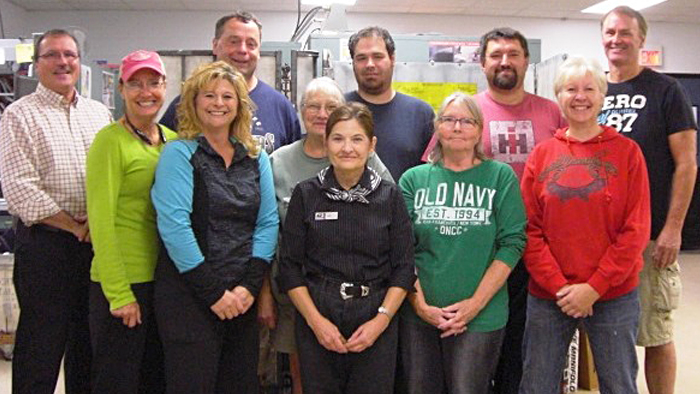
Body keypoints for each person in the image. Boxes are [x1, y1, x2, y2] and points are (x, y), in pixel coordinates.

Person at [421, 27, 566, 393]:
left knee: (520, 350)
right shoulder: (465, 112)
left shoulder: (551, 112)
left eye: (513, 54)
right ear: (482, 62)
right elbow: (434, 171)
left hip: (533, 249)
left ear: (526, 61)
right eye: (496, 54)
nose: (505, 61)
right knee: (471, 359)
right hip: (476, 252)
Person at [519, 56, 651, 394]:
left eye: (589, 89)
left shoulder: (627, 153)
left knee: (618, 384)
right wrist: (561, 287)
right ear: (558, 97)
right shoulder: (543, 154)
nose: (580, 96)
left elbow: (636, 229)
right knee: (537, 384)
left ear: (602, 95)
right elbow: (529, 229)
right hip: (550, 295)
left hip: (613, 294)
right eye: (570, 89)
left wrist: (594, 286)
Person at [151, 61, 278, 394]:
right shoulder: (178, 154)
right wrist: (213, 293)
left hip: (241, 298)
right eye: (208, 95)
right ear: (193, 102)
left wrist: (248, 286)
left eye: (227, 96)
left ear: (239, 104)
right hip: (189, 298)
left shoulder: (256, 156)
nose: (218, 103)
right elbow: (175, 227)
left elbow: (267, 222)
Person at [0, 29, 112, 394]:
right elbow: (19, 188)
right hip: (46, 249)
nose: (63, 62)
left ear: (79, 62)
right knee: (40, 349)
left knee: (88, 345)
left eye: (70, 55)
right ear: (37, 63)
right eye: (52, 55)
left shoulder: (98, 113)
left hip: (94, 248)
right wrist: (73, 226)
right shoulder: (19, 115)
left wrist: (96, 227)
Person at [278, 102, 415, 394]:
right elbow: (289, 267)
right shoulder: (306, 194)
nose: (347, 148)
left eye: (357, 139)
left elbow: (404, 268)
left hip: (376, 312)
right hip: (319, 312)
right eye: (338, 138)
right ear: (326, 143)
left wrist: (381, 321)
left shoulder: (390, 197)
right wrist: (316, 322)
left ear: (371, 145)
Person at [597, 7, 698, 394]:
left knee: (655, 332)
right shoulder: (594, 89)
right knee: (607, 331)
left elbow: (686, 164)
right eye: (609, 32)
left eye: (625, 32)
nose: (616, 39)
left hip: (650, 237)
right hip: (600, 238)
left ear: (641, 39)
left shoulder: (666, 90)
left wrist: (673, 229)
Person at [399, 92, 526, 394]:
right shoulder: (413, 180)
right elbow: (401, 250)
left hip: (481, 318)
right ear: (437, 128)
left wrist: (474, 305)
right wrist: (419, 305)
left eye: (466, 121)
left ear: (480, 130)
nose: (457, 127)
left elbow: (512, 243)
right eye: (448, 120)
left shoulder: (500, 177)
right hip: (420, 316)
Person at [86, 50, 176, 394]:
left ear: (165, 87)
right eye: (136, 84)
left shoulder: (172, 140)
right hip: (124, 281)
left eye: (153, 83)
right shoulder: (109, 142)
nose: (145, 92)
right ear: (121, 89)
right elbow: (101, 223)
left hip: (163, 282)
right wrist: (119, 293)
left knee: (154, 378)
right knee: (118, 380)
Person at [160, 10, 301, 154]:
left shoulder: (281, 107)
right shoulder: (186, 104)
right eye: (234, 42)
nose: (242, 50)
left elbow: (293, 163)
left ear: (259, 52)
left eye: (251, 44)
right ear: (215, 45)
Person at [345, 26, 434, 180]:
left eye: (377, 56)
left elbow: (431, 176)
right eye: (361, 58)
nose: (370, 64)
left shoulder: (420, 114)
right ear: (353, 63)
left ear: (392, 59)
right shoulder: (338, 109)